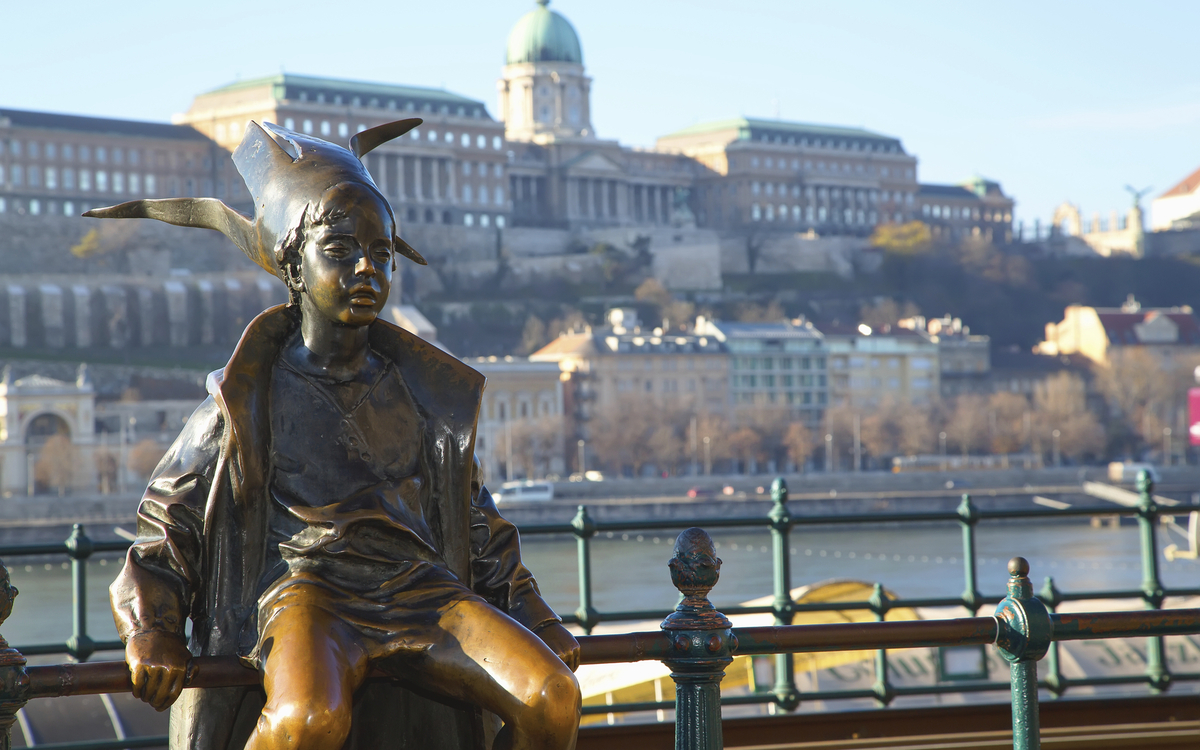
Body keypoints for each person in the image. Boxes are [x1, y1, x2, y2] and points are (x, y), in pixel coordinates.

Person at [89, 119, 581, 750]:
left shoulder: (424, 397)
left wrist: (530, 610)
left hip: (422, 592)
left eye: (381, 253)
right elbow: (166, 526)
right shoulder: (244, 399)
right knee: (305, 720)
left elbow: (475, 519)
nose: (366, 269)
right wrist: (151, 628)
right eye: (341, 250)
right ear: (294, 265)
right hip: (304, 595)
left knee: (550, 697)